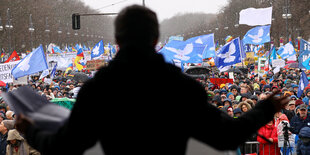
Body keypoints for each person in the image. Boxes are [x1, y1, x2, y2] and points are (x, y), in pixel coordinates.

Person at [15, 5, 289, 155]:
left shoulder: (98, 90)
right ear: (156, 40)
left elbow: (65, 147)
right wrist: (265, 109)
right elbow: (228, 136)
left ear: (118, 40)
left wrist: (31, 131)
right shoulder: (181, 88)